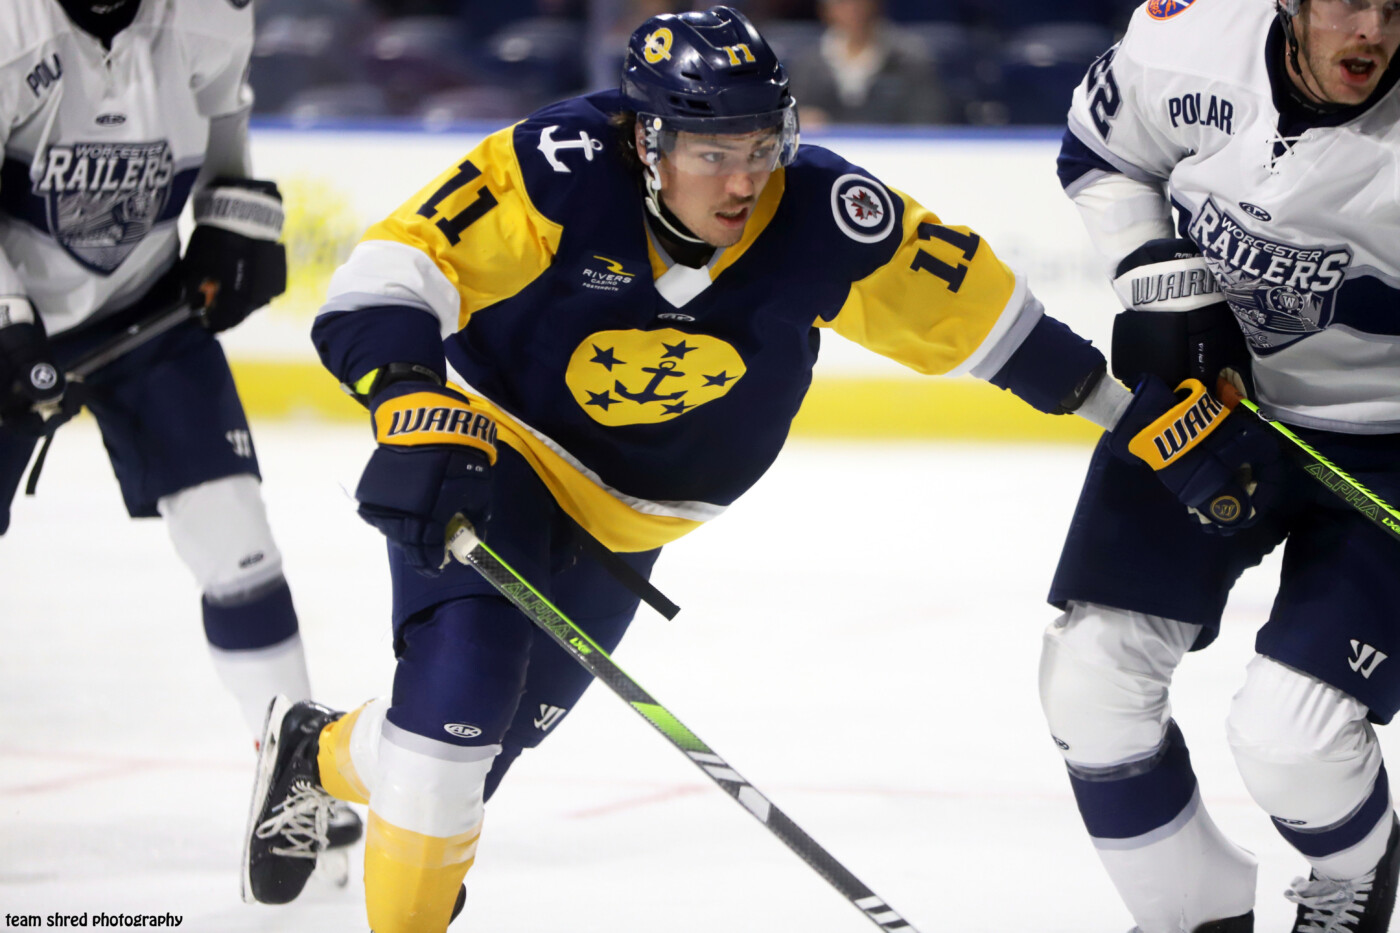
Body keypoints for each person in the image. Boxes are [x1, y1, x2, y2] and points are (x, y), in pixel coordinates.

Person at [241, 6, 1281, 930]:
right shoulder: (559, 168)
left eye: (760, 145)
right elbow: (391, 270)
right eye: (711, 151)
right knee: (449, 738)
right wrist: (406, 400)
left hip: (628, 530)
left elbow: (991, 330)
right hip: (498, 461)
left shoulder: (823, 214)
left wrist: (1139, 425)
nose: (743, 180)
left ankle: (316, 753)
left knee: (473, 754)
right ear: (645, 140)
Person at [1039, 0, 1400, 929]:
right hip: (1214, 404)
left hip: (1388, 443)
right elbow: (1101, 153)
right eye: (1349, 2)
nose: (1372, 29)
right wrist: (1159, 278)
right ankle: (1193, 917)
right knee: (1090, 681)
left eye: (1395, 7)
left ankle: (1353, 872)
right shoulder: (1188, 39)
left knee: (1293, 742)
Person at [0, 0, 359, 848]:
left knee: (239, 543)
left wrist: (236, 219)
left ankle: (297, 776)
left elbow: (224, 129)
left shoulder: (209, 14)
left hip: (146, 310)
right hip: (14, 312)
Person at [786, 0, 949, 126]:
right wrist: (803, 119)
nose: (852, 10)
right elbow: (792, 114)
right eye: (843, 3)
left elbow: (927, 117)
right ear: (825, 10)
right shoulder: (808, 62)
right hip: (830, 148)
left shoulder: (909, 58)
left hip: (895, 149)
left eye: (859, 2)